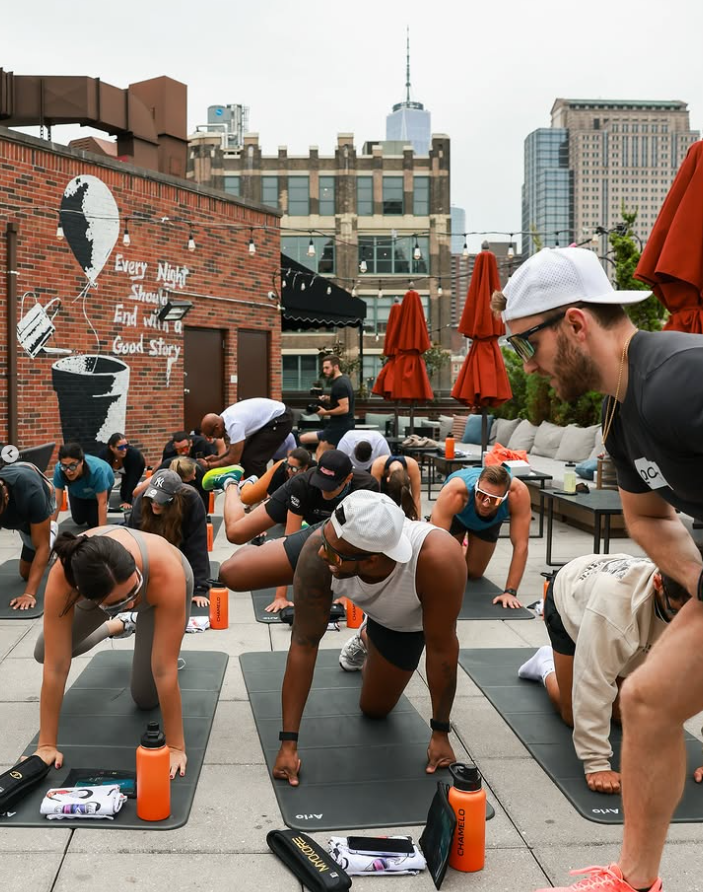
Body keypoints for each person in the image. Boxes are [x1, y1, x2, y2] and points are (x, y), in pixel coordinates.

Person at [493, 246, 703, 892]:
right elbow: (647, 521)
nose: (529, 366)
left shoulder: (674, 380)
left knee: (642, 699)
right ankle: (635, 879)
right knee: (642, 702)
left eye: (529, 346)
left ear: (575, 325)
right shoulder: (618, 415)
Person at [271, 490, 466, 786]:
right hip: (371, 598)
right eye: (326, 539)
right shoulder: (319, 551)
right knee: (234, 574)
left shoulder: (438, 557)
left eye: (334, 553)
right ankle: (366, 631)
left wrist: (440, 732)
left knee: (374, 710)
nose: (323, 553)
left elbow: (441, 649)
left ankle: (366, 634)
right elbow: (303, 644)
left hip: (402, 625)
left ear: (373, 560)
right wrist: (288, 744)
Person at [517, 553, 690, 795]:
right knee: (573, 715)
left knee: (624, 713)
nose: (685, 623)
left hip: (626, 625)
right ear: (658, 583)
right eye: (678, 613)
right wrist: (596, 764)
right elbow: (593, 683)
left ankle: (621, 658)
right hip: (572, 597)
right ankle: (546, 664)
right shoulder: (612, 613)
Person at [33, 526, 193, 777]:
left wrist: (175, 747)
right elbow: (55, 666)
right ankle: (118, 624)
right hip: (104, 587)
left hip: (160, 590)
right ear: (83, 595)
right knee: (44, 653)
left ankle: (140, 611)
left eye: (134, 591)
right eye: (121, 604)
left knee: (145, 697)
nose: (132, 604)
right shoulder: (64, 577)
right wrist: (46, 746)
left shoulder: (166, 571)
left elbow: (164, 669)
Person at [222, 450, 379, 613]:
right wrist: (280, 597)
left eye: (330, 487)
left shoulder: (366, 488)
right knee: (235, 533)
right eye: (321, 483)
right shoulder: (304, 483)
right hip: (297, 500)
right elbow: (288, 543)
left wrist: (348, 596)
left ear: (348, 479)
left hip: (337, 521)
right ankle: (230, 483)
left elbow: (362, 546)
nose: (324, 490)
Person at [430, 465, 531, 608]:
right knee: (449, 569)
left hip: (488, 522)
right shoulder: (455, 492)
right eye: (481, 495)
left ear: (505, 496)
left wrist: (510, 591)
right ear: (476, 486)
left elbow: (521, 545)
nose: (485, 503)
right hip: (458, 516)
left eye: (494, 499)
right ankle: (459, 547)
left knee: (473, 573)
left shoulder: (518, 494)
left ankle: (463, 547)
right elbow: (435, 545)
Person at [127, 469, 211, 608]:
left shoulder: (192, 500)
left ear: (175, 498)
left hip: (179, 547)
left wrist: (199, 589)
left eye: (160, 500)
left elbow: (197, 546)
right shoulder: (143, 499)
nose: (154, 503)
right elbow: (133, 544)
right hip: (152, 549)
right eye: (152, 498)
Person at [0, 461, 57, 610]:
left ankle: (50, 532)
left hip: (41, 491)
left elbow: (42, 547)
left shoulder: (31, 492)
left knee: (40, 547)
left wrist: (29, 594)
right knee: (26, 573)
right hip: (16, 493)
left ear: (6, 497)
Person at [199, 397, 294, 480]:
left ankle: (259, 495)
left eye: (212, 435)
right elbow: (234, 450)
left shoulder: (234, 424)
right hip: (272, 419)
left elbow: (233, 460)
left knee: (253, 460)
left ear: (217, 428)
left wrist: (209, 465)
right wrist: (218, 458)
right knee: (246, 457)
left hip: (281, 418)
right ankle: (252, 490)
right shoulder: (224, 419)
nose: (214, 438)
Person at [299, 355, 355, 458]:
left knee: (321, 451)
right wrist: (327, 398)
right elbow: (341, 401)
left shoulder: (340, 384)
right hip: (337, 425)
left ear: (336, 367)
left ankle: (319, 473)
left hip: (339, 426)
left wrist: (325, 412)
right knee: (303, 438)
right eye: (323, 368)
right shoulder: (343, 380)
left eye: (327, 368)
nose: (324, 371)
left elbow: (344, 408)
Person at [52, 443, 114, 530]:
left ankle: (92, 508)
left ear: (81, 462)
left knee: (94, 523)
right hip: (78, 490)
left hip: (98, 490)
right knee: (79, 520)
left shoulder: (97, 471)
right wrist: (49, 530)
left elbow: (102, 503)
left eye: (72, 466)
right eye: (65, 466)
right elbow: (57, 502)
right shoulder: (59, 470)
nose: (68, 471)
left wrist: (102, 533)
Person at [238, 447, 315, 508]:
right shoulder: (282, 470)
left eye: (293, 469)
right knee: (246, 498)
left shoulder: (314, 472)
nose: (289, 471)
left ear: (305, 468)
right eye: (288, 466)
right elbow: (269, 500)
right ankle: (249, 482)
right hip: (278, 471)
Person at [98, 433, 145, 511]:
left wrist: (128, 502)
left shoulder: (134, 455)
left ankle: (140, 487)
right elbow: (101, 477)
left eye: (126, 446)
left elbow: (132, 478)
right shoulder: (104, 455)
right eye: (120, 447)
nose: (124, 450)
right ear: (112, 447)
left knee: (126, 493)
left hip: (135, 467)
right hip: (119, 468)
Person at [369, 453, 423, 521]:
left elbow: (416, 498)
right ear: (387, 479)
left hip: (403, 493)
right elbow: (375, 498)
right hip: (384, 496)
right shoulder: (378, 465)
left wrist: (417, 522)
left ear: (408, 478)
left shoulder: (412, 465)